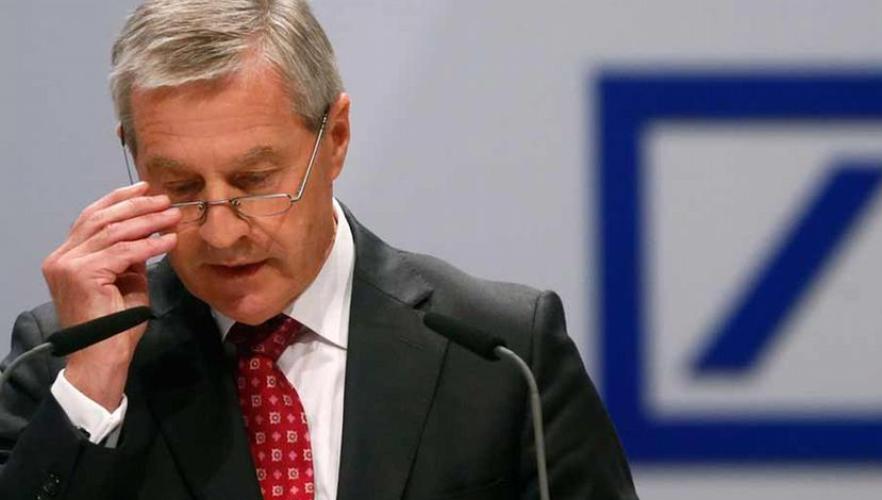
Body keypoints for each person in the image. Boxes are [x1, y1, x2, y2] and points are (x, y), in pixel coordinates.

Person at [0, 1, 638, 499]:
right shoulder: (65, 358)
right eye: (181, 187)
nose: (221, 233)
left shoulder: (501, 354)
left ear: (335, 139)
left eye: (254, 181)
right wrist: (92, 387)